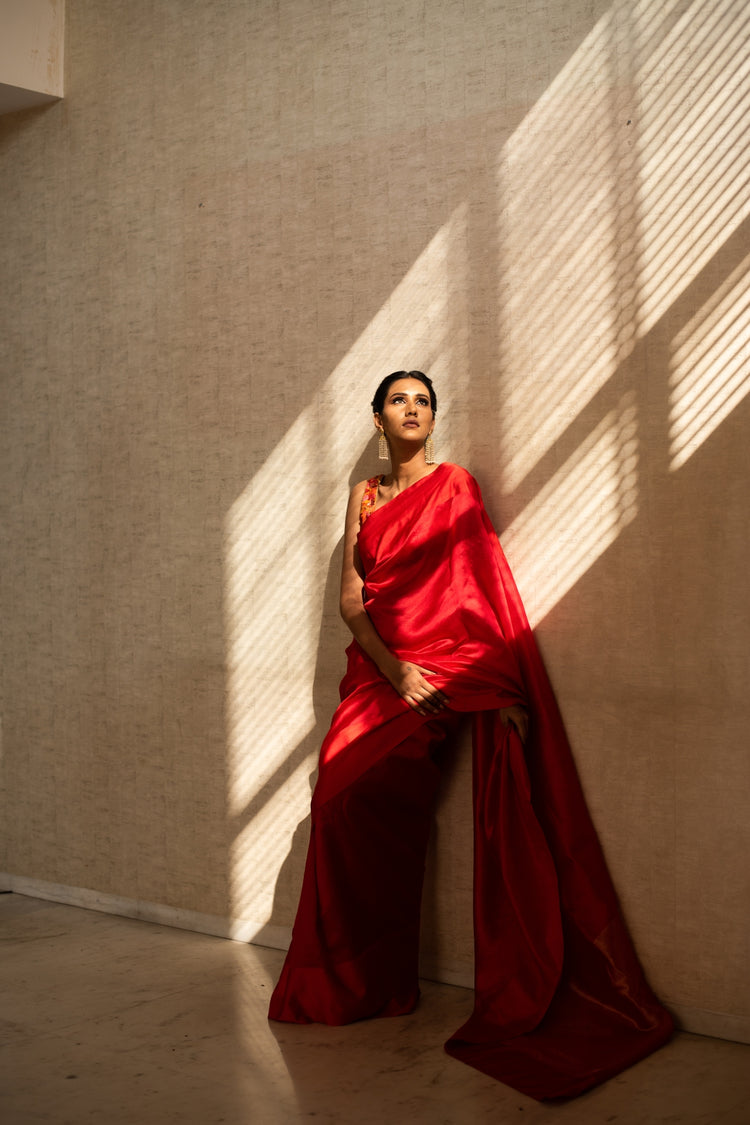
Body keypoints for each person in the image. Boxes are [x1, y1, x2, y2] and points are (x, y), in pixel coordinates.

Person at [268, 371, 673, 1099]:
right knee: (337, 801)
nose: (413, 408)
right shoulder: (364, 495)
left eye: (423, 399)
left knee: (384, 810)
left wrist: (498, 692)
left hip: (450, 670)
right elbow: (351, 601)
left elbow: (476, 584)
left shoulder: (455, 484)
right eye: (399, 399)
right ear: (377, 418)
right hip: (383, 674)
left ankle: (393, 979)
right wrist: (396, 673)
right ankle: (362, 983)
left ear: (433, 416)